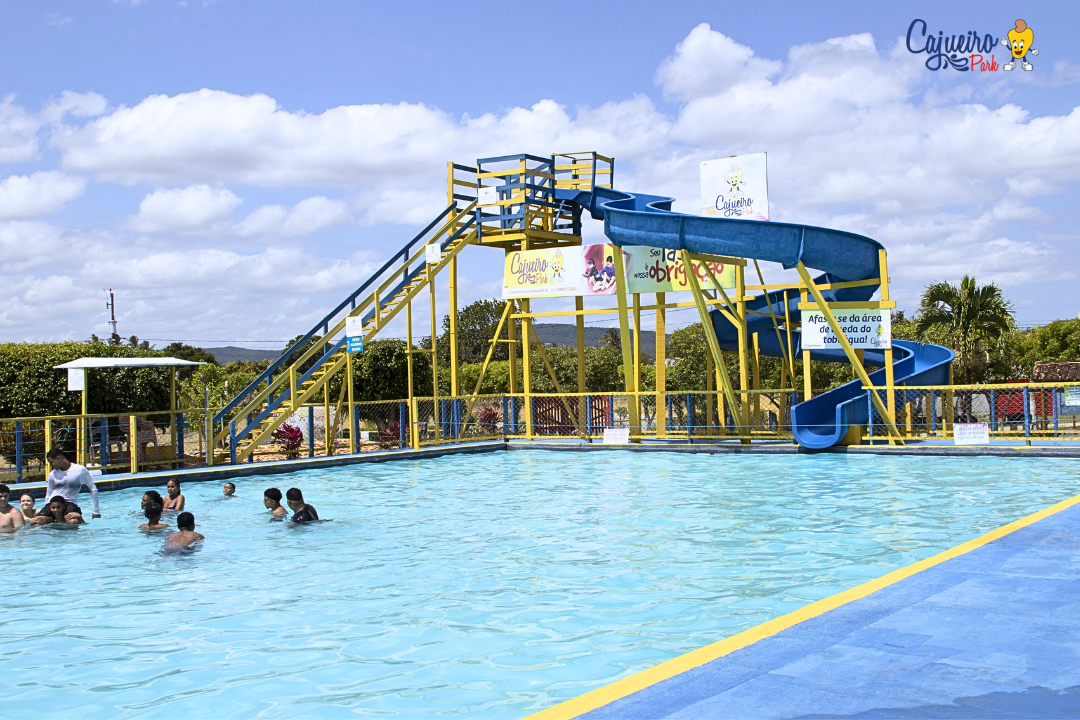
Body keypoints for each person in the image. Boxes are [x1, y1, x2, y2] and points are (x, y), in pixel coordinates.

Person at [44, 448, 100, 519]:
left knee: (73, 521)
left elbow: (93, 489)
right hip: (52, 504)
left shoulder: (80, 470)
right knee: (38, 521)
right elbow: (48, 493)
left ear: (58, 458)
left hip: (69, 503)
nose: (51, 465)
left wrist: (96, 511)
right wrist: (45, 508)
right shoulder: (52, 474)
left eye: (51, 462)